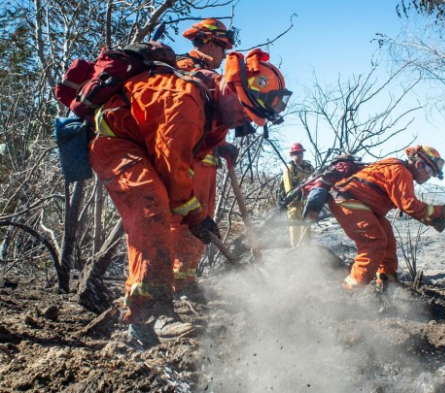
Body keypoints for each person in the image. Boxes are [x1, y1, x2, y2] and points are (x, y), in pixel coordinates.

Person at [88, 48, 290, 347]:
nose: (240, 121)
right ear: (231, 89)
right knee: (150, 206)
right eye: (243, 111)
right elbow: (172, 170)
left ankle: (157, 306)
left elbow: (186, 165)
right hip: (115, 141)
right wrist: (196, 216)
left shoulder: (215, 112)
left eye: (249, 117)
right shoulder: (188, 102)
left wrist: (198, 215)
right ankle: (148, 313)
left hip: (142, 145)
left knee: (170, 211)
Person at [328, 145, 445, 290]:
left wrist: (432, 220)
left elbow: (408, 206)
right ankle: (350, 291)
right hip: (348, 200)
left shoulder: (398, 169)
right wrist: (441, 212)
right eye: (429, 171)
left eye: (432, 174)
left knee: (387, 238)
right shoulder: (401, 172)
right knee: (374, 243)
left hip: (361, 204)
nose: (429, 177)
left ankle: (387, 283)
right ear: (419, 164)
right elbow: (409, 205)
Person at [170, 18, 238, 297]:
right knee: (185, 224)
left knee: (202, 225)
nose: (224, 56)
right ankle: (175, 282)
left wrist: (220, 145)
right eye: (223, 49)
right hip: (189, 164)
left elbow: (207, 121)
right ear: (210, 43)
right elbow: (183, 121)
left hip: (207, 164)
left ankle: (186, 279)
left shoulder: (205, 72)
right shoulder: (185, 69)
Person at [282, 143, 315, 247]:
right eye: (296, 153)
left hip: (307, 200)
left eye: (300, 153)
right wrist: (290, 199)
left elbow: (315, 181)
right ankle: (295, 249)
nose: (299, 155)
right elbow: (288, 186)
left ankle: (307, 248)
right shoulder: (290, 167)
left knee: (306, 224)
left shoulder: (309, 167)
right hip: (294, 202)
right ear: (292, 154)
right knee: (295, 225)